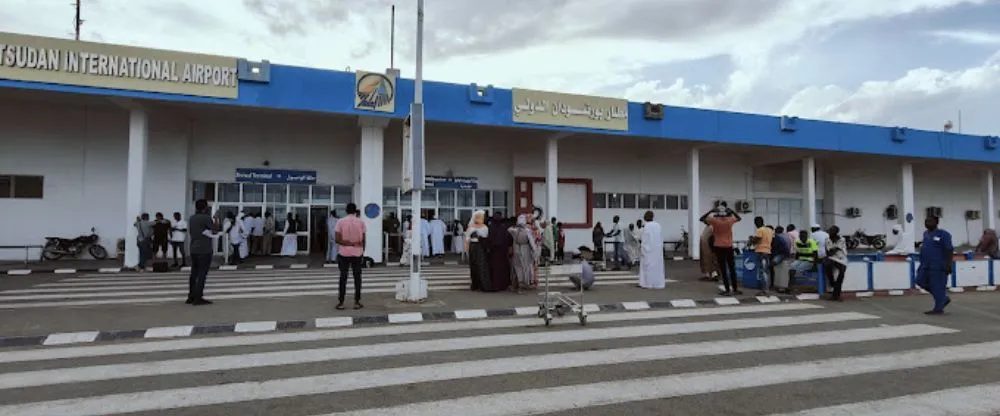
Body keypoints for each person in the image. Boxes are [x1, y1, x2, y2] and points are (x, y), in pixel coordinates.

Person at [701, 204, 742, 296]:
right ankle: (735, 289)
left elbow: (702, 219)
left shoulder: (715, 221)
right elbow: (739, 218)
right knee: (732, 268)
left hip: (718, 246)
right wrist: (731, 210)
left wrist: (711, 211)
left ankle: (727, 290)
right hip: (728, 246)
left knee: (723, 269)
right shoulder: (730, 220)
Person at [917, 216, 953, 315]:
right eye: (926, 221)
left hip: (938, 266)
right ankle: (943, 298)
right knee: (920, 281)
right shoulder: (926, 234)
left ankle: (938, 308)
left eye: (930, 221)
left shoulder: (943, 234)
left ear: (936, 222)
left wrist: (948, 264)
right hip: (925, 265)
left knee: (938, 287)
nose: (927, 223)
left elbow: (949, 249)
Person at [187, 199, 220, 305]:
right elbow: (215, 229)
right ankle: (198, 297)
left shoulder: (192, 218)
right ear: (205, 208)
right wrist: (216, 219)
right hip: (204, 249)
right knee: (202, 274)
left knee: (194, 273)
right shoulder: (206, 218)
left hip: (193, 248)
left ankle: (191, 296)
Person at [334, 203, 367, 310]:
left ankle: (341, 303)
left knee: (343, 277)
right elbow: (363, 240)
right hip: (357, 253)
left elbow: (337, 239)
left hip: (343, 253)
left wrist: (348, 244)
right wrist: (362, 252)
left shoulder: (340, 222)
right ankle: (357, 302)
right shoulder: (361, 222)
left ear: (346, 211)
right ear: (355, 211)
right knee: (357, 278)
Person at [509, 214, 537, 292]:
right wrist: (535, 254)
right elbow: (532, 243)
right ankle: (525, 283)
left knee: (517, 267)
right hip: (525, 250)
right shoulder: (527, 231)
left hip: (517, 249)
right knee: (525, 267)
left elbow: (509, 230)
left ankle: (517, 283)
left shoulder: (514, 230)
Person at [639, 211, 666, 289]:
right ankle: (657, 284)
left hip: (648, 251)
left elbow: (645, 239)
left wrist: (643, 249)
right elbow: (660, 238)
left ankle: (647, 284)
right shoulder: (658, 225)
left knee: (647, 268)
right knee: (657, 268)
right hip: (657, 251)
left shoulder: (646, 226)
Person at [465, 210, 491, 291]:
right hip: (473, 247)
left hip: (481, 247)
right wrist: (467, 249)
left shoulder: (485, 227)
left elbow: (487, 238)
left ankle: (483, 284)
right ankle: (475, 284)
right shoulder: (471, 227)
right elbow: (467, 239)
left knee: (482, 265)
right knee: (473, 265)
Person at [487, 211, 511, 292]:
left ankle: (495, 285)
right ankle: (503, 285)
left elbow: (489, 239)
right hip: (502, 251)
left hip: (494, 251)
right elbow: (507, 239)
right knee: (502, 268)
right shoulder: (503, 227)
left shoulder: (491, 227)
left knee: (494, 269)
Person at [750, 217, 774, 295]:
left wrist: (751, 241)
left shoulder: (760, 230)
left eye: (755, 223)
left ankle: (765, 290)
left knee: (763, 271)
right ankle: (767, 288)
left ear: (757, 222)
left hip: (761, 252)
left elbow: (757, 239)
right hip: (768, 252)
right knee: (766, 271)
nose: (755, 224)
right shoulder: (770, 230)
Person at [824, 225, 848, 301]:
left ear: (836, 232)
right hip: (832, 258)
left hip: (842, 258)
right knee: (827, 264)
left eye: (832, 230)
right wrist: (836, 248)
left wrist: (834, 249)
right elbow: (829, 253)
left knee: (841, 273)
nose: (830, 232)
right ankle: (832, 282)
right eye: (830, 230)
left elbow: (833, 251)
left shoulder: (842, 239)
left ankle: (836, 295)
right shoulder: (827, 239)